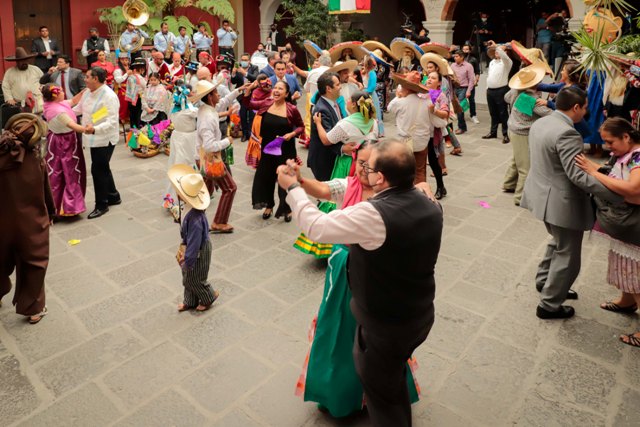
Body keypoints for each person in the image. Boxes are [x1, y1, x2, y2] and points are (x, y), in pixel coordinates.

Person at [278, 140, 443, 427]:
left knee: (383, 397)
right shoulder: (431, 204)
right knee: (390, 380)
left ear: (380, 177)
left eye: (369, 166)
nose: (362, 169)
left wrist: (292, 188)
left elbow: (316, 227)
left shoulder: (375, 214)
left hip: (384, 324)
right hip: (418, 315)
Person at [521, 87, 622, 319]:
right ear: (576, 107)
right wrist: (615, 193)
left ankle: (546, 281)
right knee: (568, 255)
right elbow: (577, 176)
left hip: (542, 195)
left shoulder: (542, 122)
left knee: (558, 242)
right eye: (585, 108)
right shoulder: (568, 133)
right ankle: (549, 304)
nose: (586, 112)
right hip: (560, 202)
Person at [574, 117, 640, 347]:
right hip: (629, 226)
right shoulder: (626, 154)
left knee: (636, 275)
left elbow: (633, 188)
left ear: (626, 137)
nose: (607, 147)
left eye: (610, 142)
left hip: (635, 225)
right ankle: (627, 301)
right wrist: (594, 167)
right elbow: (615, 177)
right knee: (627, 267)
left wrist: (594, 172)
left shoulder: (638, 157)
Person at [0, 113, 53, 324]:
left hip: (2, 220)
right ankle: (33, 309)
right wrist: (51, 213)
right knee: (35, 263)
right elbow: (46, 192)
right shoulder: (36, 160)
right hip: (31, 222)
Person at [191, 79, 247, 233]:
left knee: (206, 191)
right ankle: (219, 222)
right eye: (216, 93)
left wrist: (239, 90)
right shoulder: (208, 117)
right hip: (209, 158)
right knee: (230, 188)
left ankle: (192, 220)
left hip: (204, 157)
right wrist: (227, 141)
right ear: (210, 97)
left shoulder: (207, 108)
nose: (219, 95)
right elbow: (209, 146)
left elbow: (224, 101)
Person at [242, 80, 304, 221]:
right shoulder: (266, 103)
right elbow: (248, 104)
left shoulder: (292, 109)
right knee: (265, 177)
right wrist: (248, 91)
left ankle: (287, 208)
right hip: (267, 149)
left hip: (285, 150)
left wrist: (292, 134)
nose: (276, 90)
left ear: (286, 94)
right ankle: (269, 205)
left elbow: (301, 126)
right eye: (275, 88)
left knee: (285, 180)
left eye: (280, 89)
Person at [72, 67, 121, 220]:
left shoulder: (109, 96)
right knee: (103, 166)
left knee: (98, 170)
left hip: (104, 138)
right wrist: (63, 114)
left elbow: (112, 122)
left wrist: (95, 129)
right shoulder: (88, 92)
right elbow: (79, 109)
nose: (84, 79)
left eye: (87, 77)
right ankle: (113, 195)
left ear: (96, 79)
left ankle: (102, 204)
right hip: (91, 135)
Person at [168, 164, 220, 312]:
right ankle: (190, 301)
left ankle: (208, 297)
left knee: (194, 278)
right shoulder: (188, 207)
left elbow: (194, 242)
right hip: (191, 246)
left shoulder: (196, 219)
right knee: (187, 276)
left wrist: (188, 260)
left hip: (199, 250)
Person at [502, 63, 553, 206]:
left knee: (516, 159)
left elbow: (506, 98)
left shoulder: (516, 91)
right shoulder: (530, 98)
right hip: (522, 133)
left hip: (513, 129)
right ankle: (520, 197)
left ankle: (509, 184)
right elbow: (549, 114)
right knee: (526, 167)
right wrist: (550, 104)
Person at [41, 83, 87, 217]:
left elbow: (73, 101)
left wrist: (83, 92)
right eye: (60, 91)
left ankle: (59, 206)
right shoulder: (58, 112)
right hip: (64, 143)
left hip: (58, 140)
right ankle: (67, 207)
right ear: (55, 96)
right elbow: (74, 126)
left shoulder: (52, 105)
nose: (63, 92)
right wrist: (90, 129)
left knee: (59, 173)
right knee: (67, 173)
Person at [387, 72, 433, 184]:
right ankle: (422, 191)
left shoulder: (400, 102)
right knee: (420, 170)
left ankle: (407, 191)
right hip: (422, 141)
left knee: (404, 170)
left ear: (406, 88)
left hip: (405, 141)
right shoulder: (427, 102)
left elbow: (389, 108)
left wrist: (398, 96)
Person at [164, 83, 198, 219]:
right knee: (186, 165)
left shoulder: (174, 108)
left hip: (177, 137)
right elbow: (199, 112)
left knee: (176, 165)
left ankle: (176, 196)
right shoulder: (189, 110)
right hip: (187, 139)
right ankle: (184, 195)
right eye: (192, 93)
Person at [308, 72, 344, 181]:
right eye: (337, 84)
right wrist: (343, 149)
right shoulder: (322, 109)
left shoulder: (333, 103)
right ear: (329, 89)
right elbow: (328, 138)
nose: (340, 87)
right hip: (324, 160)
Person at [423, 70, 450, 199]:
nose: (429, 79)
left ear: (439, 83)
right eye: (428, 77)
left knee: (433, 161)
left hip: (433, 133)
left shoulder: (441, 96)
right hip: (420, 131)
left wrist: (434, 110)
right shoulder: (421, 93)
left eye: (433, 78)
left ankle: (440, 186)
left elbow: (445, 114)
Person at [483, 41, 513, 144]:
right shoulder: (492, 62)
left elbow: (503, 55)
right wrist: (487, 88)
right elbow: (489, 76)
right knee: (493, 113)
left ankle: (505, 134)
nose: (496, 52)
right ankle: (493, 132)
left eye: (499, 51)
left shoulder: (507, 62)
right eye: (496, 51)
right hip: (490, 90)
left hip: (501, 90)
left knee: (503, 113)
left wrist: (498, 46)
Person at [2, 48, 44, 114]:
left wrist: (44, 92)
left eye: (25, 60)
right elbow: (6, 87)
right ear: (17, 61)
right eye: (21, 61)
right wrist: (9, 98)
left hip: (38, 103)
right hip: (20, 105)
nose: (24, 62)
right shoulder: (10, 72)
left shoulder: (36, 69)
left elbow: (43, 82)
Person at [450, 50, 475, 135]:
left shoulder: (468, 66)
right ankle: (460, 127)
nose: (455, 58)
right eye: (454, 56)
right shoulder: (452, 65)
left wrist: (469, 91)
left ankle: (462, 127)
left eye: (457, 56)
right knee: (454, 108)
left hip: (463, 88)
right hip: (454, 88)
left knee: (460, 108)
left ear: (462, 57)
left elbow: (471, 80)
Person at [362, 55, 384, 136]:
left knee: (374, 113)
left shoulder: (372, 73)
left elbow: (372, 86)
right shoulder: (367, 72)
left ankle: (377, 131)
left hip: (370, 95)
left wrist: (364, 92)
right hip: (366, 94)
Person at [125, 58, 148, 130]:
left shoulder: (130, 77)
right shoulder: (140, 78)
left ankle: (133, 129)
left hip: (130, 99)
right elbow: (145, 87)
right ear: (141, 69)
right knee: (138, 115)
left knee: (132, 115)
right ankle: (138, 129)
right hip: (138, 98)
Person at [462, 43, 480, 124]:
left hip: (470, 83)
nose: (465, 51)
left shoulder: (473, 60)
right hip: (461, 83)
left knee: (471, 100)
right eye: (464, 49)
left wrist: (476, 80)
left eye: (467, 49)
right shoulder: (459, 59)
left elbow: (477, 71)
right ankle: (460, 115)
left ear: (470, 50)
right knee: (461, 100)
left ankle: (473, 115)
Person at [112, 52, 131, 122]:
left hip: (129, 88)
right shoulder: (118, 69)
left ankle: (127, 116)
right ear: (119, 60)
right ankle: (121, 117)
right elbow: (118, 80)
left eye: (126, 60)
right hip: (121, 88)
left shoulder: (129, 67)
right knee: (123, 103)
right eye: (122, 60)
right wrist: (127, 74)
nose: (125, 62)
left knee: (129, 104)